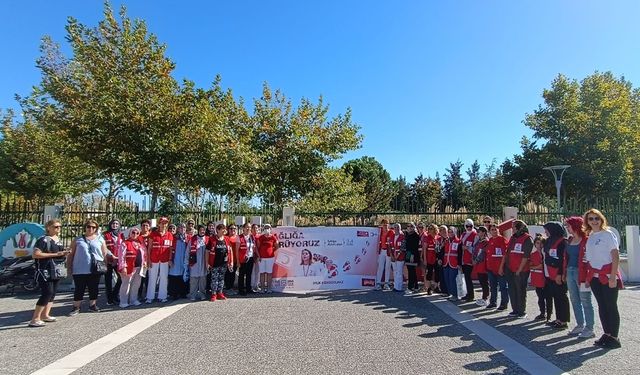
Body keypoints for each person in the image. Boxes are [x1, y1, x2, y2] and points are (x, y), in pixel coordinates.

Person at [584, 208, 623, 349]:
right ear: (587, 221)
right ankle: (607, 333)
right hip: (594, 277)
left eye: (596, 218)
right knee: (602, 306)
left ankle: (614, 337)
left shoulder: (608, 234)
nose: (594, 221)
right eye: (591, 219)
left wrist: (613, 276)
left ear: (601, 219)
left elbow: (615, 255)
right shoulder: (591, 236)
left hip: (607, 276)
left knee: (611, 306)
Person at [29, 219, 70, 327]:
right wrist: (56, 254)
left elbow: (58, 254)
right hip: (44, 269)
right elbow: (36, 254)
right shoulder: (43, 240)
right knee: (47, 292)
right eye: (56, 227)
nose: (58, 229)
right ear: (48, 228)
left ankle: (45, 315)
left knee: (52, 293)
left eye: (59, 226)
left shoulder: (58, 240)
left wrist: (64, 253)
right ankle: (35, 318)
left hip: (56, 269)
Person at [67, 219, 108, 316]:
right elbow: (71, 254)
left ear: (96, 229)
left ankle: (92, 305)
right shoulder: (78, 239)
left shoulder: (100, 239)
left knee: (93, 287)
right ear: (85, 227)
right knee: (79, 288)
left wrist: (106, 264)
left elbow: (104, 252)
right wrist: (69, 266)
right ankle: (76, 307)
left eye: (93, 227)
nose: (91, 229)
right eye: (89, 226)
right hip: (80, 268)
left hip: (95, 268)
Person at [565, 216, 595, 338]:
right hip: (570, 271)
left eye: (568, 226)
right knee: (574, 299)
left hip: (581, 272)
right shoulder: (570, 239)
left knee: (585, 300)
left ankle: (589, 328)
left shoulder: (586, 240)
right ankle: (580, 324)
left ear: (575, 226)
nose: (567, 228)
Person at [501, 220, 532, 318]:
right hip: (510, 268)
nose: (512, 229)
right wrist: (503, 266)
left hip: (521, 270)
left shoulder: (527, 238)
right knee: (512, 289)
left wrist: (519, 269)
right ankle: (515, 310)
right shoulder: (513, 237)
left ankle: (522, 311)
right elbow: (507, 252)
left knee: (520, 290)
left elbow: (526, 256)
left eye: (513, 227)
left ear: (519, 228)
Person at [543, 221, 570, 329]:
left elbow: (563, 259)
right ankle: (558, 319)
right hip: (550, 272)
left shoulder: (562, 242)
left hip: (558, 273)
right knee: (556, 297)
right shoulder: (549, 240)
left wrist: (560, 274)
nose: (545, 232)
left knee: (561, 297)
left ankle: (563, 320)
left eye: (547, 230)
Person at [146, 217, 175, 303]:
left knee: (164, 278)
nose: (164, 224)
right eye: (162, 223)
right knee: (152, 278)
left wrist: (170, 259)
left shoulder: (170, 235)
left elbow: (170, 249)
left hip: (165, 260)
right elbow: (149, 248)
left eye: (165, 223)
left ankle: (162, 296)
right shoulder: (153, 234)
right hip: (154, 259)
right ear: (159, 224)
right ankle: (150, 297)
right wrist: (148, 260)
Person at [117, 227, 146, 308]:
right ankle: (123, 301)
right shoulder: (125, 243)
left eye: (137, 233)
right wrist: (123, 267)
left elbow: (143, 255)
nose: (135, 234)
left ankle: (133, 300)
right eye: (133, 232)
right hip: (129, 267)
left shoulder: (140, 243)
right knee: (126, 284)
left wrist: (144, 262)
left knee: (136, 284)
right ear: (130, 233)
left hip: (139, 267)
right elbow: (121, 257)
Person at [208, 223, 234, 301]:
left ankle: (220, 293)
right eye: (222, 229)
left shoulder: (226, 239)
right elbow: (207, 251)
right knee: (214, 279)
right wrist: (207, 263)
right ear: (218, 230)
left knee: (221, 278)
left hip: (224, 263)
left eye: (224, 229)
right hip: (215, 263)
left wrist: (231, 261)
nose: (224, 230)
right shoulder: (212, 239)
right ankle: (213, 294)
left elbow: (230, 250)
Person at [529, 235, 552, 321]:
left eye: (541, 243)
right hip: (537, 277)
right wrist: (538, 266)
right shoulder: (533, 254)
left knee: (548, 296)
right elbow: (530, 265)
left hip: (546, 278)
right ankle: (542, 312)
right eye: (537, 243)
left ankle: (549, 313)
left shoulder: (546, 253)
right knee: (540, 297)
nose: (539, 245)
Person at [486, 225, 508, 310]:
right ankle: (493, 302)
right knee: (493, 286)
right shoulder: (490, 240)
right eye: (492, 230)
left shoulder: (502, 239)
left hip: (500, 268)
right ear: (490, 232)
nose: (494, 231)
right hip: (491, 268)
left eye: (495, 229)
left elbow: (505, 255)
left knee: (503, 287)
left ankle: (504, 304)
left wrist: (501, 267)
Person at [103, 219, 124, 306]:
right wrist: (111, 256)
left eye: (116, 224)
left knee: (121, 277)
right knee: (108, 280)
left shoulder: (121, 235)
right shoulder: (105, 235)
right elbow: (103, 247)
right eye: (113, 223)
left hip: (118, 260)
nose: (115, 225)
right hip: (108, 260)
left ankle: (115, 294)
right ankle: (110, 299)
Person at [168, 223, 189, 300]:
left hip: (184, 260)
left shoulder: (187, 238)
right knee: (174, 276)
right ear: (178, 229)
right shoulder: (174, 238)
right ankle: (174, 294)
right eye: (180, 227)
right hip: (175, 259)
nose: (182, 228)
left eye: (183, 227)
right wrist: (170, 259)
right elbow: (169, 249)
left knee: (183, 276)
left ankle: (183, 293)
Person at [188, 225, 209, 301]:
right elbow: (188, 251)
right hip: (194, 262)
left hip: (204, 262)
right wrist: (186, 262)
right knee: (194, 280)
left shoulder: (207, 239)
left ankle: (202, 294)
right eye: (201, 230)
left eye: (203, 230)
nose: (202, 231)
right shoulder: (193, 239)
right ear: (198, 230)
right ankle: (192, 295)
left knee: (203, 280)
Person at [459, 219, 478, 302]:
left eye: (470, 226)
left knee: (468, 277)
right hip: (463, 258)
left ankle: (471, 295)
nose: (469, 228)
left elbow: (476, 248)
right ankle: (468, 293)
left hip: (470, 259)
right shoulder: (463, 234)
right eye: (467, 226)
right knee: (466, 278)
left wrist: (467, 248)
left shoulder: (475, 235)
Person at [257, 224, 279, 293]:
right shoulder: (261, 237)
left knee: (269, 273)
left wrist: (272, 251)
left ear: (270, 228)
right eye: (265, 228)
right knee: (262, 273)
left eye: (268, 227)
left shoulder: (273, 237)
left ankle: (269, 288)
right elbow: (257, 247)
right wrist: (259, 256)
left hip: (270, 258)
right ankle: (262, 289)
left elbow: (277, 246)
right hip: (262, 258)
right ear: (263, 229)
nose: (267, 229)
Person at [237, 223, 257, 295]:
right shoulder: (239, 237)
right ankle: (241, 290)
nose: (248, 229)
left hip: (250, 257)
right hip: (243, 259)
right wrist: (238, 261)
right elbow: (237, 250)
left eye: (249, 227)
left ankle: (248, 288)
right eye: (247, 227)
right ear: (243, 228)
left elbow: (253, 247)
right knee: (242, 275)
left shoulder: (251, 237)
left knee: (249, 274)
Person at [472, 226, 490, 306]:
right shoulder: (479, 241)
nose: (477, 233)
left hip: (483, 264)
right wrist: (473, 258)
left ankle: (485, 298)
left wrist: (476, 260)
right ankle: (484, 297)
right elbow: (475, 250)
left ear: (483, 232)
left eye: (479, 231)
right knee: (482, 282)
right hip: (478, 264)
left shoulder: (486, 241)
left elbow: (482, 253)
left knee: (484, 282)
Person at [443, 226, 461, 301]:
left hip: (454, 263)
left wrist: (459, 264)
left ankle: (455, 294)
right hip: (446, 262)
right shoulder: (446, 241)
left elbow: (460, 253)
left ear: (455, 233)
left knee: (452, 279)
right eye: (449, 232)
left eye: (452, 232)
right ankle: (450, 293)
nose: (450, 233)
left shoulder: (458, 241)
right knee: (447, 279)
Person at [376, 219, 394, 291]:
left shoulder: (391, 232)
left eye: (386, 224)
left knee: (388, 267)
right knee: (380, 267)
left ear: (388, 225)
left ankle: (386, 283)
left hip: (389, 251)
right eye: (384, 224)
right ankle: (378, 283)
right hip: (381, 251)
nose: (385, 226)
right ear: (381, 225)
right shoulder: (379, 231)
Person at [137, 219, 152, 301]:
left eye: (147, 225)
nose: (145, 227)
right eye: (143, 225)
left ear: (149, 227)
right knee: (140, 278)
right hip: (140, 260)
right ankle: (138, 294)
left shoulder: (152, 236)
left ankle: (147, 294)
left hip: (150, 259)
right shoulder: (137, 236)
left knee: (148, 278)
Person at [403, 222, 420, 294]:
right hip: (408, 253)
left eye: (411, 226)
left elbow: (415, 247)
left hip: (412, 254)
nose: (409, 227)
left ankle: (410, 287)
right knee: (411, 270)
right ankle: (416, 286)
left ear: (414, 227)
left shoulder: (415, 235)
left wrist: (412, 255)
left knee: (411, 271)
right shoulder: (408, 234)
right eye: (408, 226)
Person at [422, 224, 439, 295]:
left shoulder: (438, 237)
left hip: (436, 258)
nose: (430, 230)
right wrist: (425, 259)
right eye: (429, 229)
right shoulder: (427, 238)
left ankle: (436, 287)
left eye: (431, 228)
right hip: (429, 258)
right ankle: (429, 288)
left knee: (437, 273)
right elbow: (424, 249)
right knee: (429, 273)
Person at [224, 224, 240, 295]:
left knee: (233, 274)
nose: (233, 230)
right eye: (231, 228)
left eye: (234, 228)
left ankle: (231, 288)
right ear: (228, 229)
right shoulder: (225, 237)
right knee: (227, 274)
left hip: (235, 259)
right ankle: (227, 288)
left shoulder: (237, 237)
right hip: (227, 259)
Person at [391, 223, 405, 292]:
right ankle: (395, 286)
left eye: (398, 227)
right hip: (393, 257)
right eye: (395, 227)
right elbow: (390, 247)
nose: (396, 229)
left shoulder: (403, 236)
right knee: (395, 271)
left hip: (400, 257)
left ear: (400, 228)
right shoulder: (392, 236)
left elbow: (402, 247)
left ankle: (399, 287)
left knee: (399, 272)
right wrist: (392, 256)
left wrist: (397, 256)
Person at [435, 225, 449, 295]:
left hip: (449, 259)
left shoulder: (450, 238)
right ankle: (444, 291)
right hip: (441, 259)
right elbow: (436, 250)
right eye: (441, 230)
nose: (443, 231)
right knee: (442, 275)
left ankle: (449, 290)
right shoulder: (438, 239)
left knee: (448, 276)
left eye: (444, 230)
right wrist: (442, 245)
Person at [250, 223, 261, 292]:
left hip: (259, 256)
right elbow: (255, 247)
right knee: (252, 271)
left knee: (258, 271)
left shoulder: (260, 236)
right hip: (253, 255)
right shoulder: (250, 237)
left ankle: (256, 285)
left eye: (256, 228)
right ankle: (252, 285)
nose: (255, 229)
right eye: (254, 228)